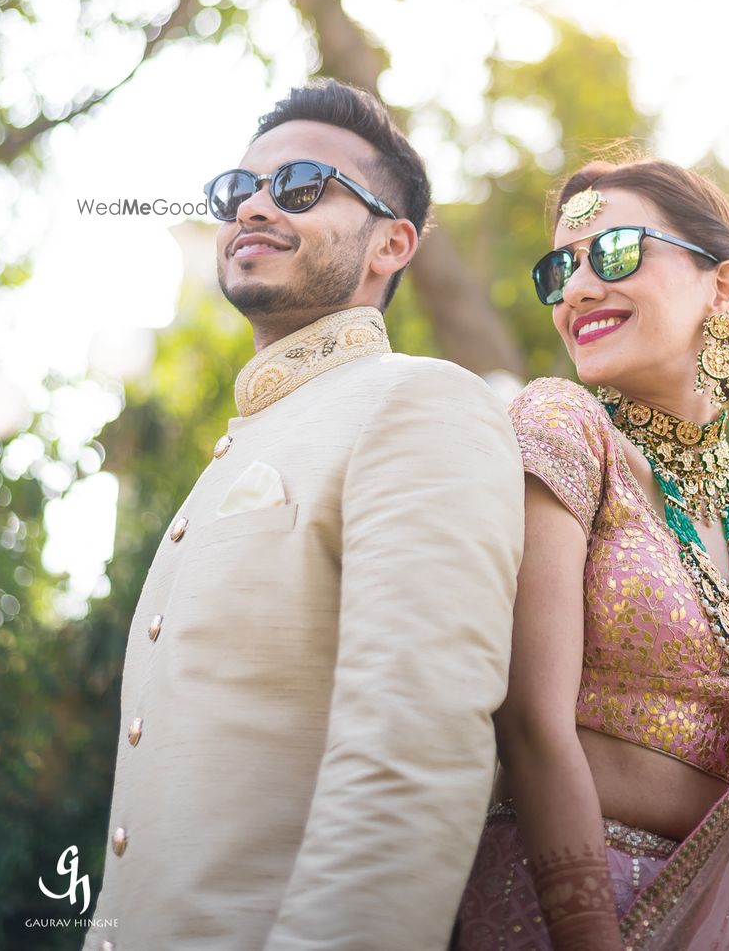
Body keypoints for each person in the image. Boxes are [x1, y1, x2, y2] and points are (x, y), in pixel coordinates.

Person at [84, 79, 524, 951]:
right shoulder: (239, 450)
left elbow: (412, 759)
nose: (252, 205)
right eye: (236, 189)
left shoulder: (422, 402)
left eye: (298, 187)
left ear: (391, 243)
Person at [455, 155, 729, 951]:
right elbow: (530, 721)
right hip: (556, 909)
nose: (577, 290)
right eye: (559, 269)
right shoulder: (565, 428)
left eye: (617, 252)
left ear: (722, 286)